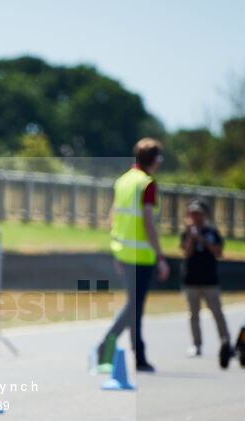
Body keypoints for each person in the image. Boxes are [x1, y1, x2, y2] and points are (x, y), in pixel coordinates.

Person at [96, 138, 169, 373]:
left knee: (133, 307)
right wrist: (160, 256)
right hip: (141, 256)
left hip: (123, 251)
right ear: (154, 159)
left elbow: (113, 218)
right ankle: (112, 349)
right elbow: (148, 223)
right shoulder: (146, 184)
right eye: (159, 158)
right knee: (134, 307)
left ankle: (134, 354)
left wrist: (116, 250)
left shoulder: (123, 181)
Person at [179, 199, 230, 357]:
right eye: (192, 213)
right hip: (191, 280)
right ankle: (196, 344)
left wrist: (201, 239)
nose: (195, 216)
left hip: (210, 280)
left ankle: (226, 342)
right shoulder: (187, 233)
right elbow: (186, 252)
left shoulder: (212, 232)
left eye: (198, 213)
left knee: (217, 313)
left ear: (205, 214)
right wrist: (191, 236)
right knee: (193, 314)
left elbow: (218, 252)